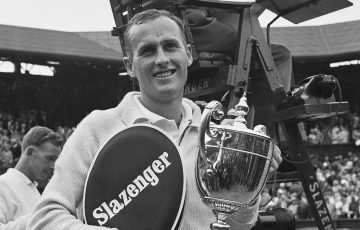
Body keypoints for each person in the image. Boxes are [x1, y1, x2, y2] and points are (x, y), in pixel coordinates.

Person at [27, 9, 282, 230]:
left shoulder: (215, 134)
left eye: (171, 46)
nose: (162, 59)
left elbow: (239, 224)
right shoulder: (98, 128)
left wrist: (246, 185)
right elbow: (44, 219)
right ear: (129, 66)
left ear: (189, 54)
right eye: (148, 51)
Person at [0, 126, 63, 230]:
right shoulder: (2, 184)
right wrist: (40, 216)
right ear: (30, 152)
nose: (53, 166)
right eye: (50, 158)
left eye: (55, 160)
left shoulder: (34, 191)